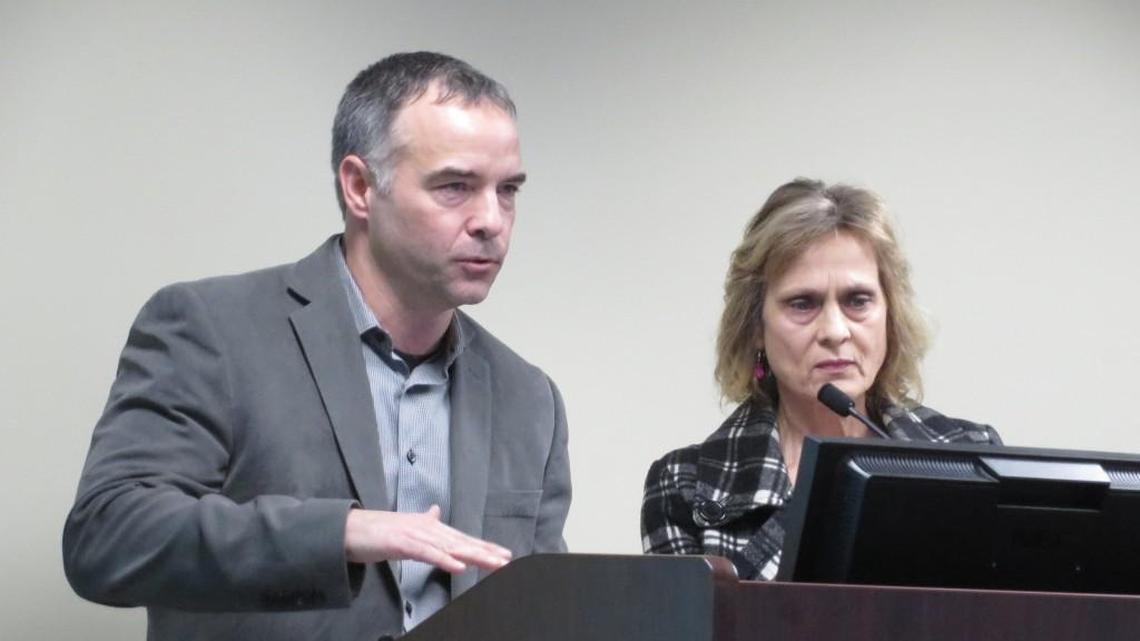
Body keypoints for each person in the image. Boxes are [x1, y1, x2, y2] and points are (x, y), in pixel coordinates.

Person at [63, 52, 571, 640]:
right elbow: (107, 538)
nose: (492, 219)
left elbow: (539, 606)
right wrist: (342, 534)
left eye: (507, 190)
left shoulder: (530, 398)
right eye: (455, 187)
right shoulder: (211, 329)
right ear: (359, 187)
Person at [640, 178, 1000, 581]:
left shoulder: (972, 457)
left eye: (857, 301)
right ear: (756, 326)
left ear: (890, 315)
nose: (834, 330)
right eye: (803, 304)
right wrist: (826, 495)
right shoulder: (683, 486)